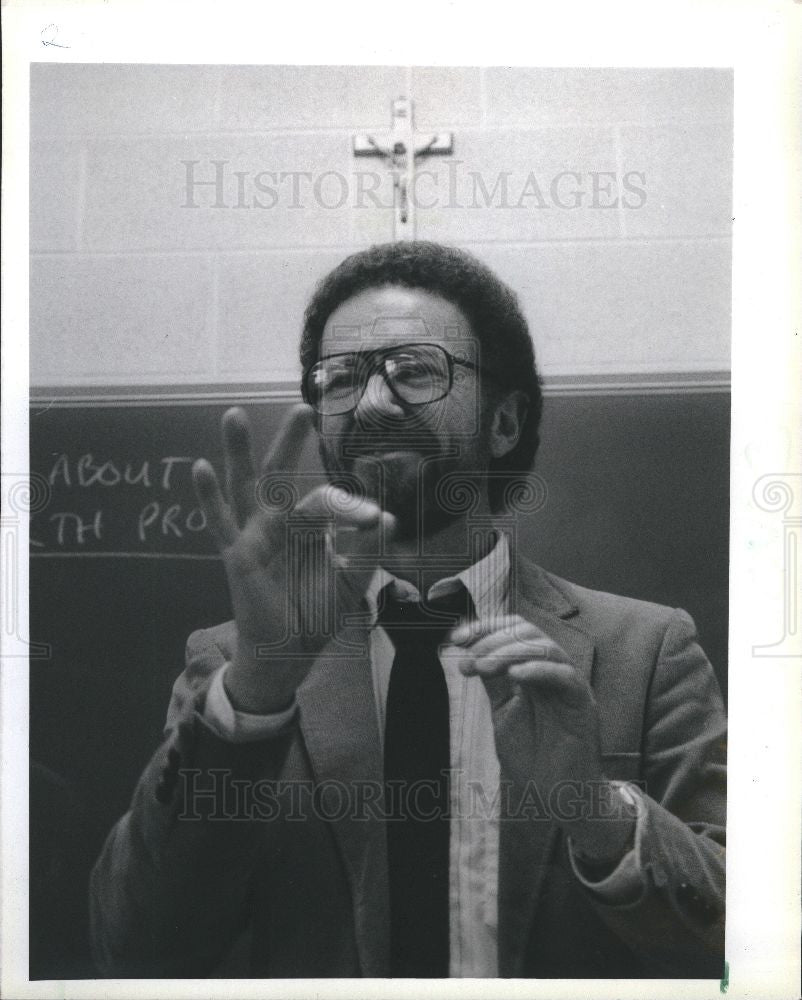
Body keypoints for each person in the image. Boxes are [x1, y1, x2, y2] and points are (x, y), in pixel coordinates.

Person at [90, 241, 726, 979]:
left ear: (505, 422)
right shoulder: (232, 668)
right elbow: (135, 949)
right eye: (342, 377)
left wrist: (591, 807)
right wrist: (259, 689)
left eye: (415, 370)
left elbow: (741, 941)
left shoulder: (645, 653)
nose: (372, 403)